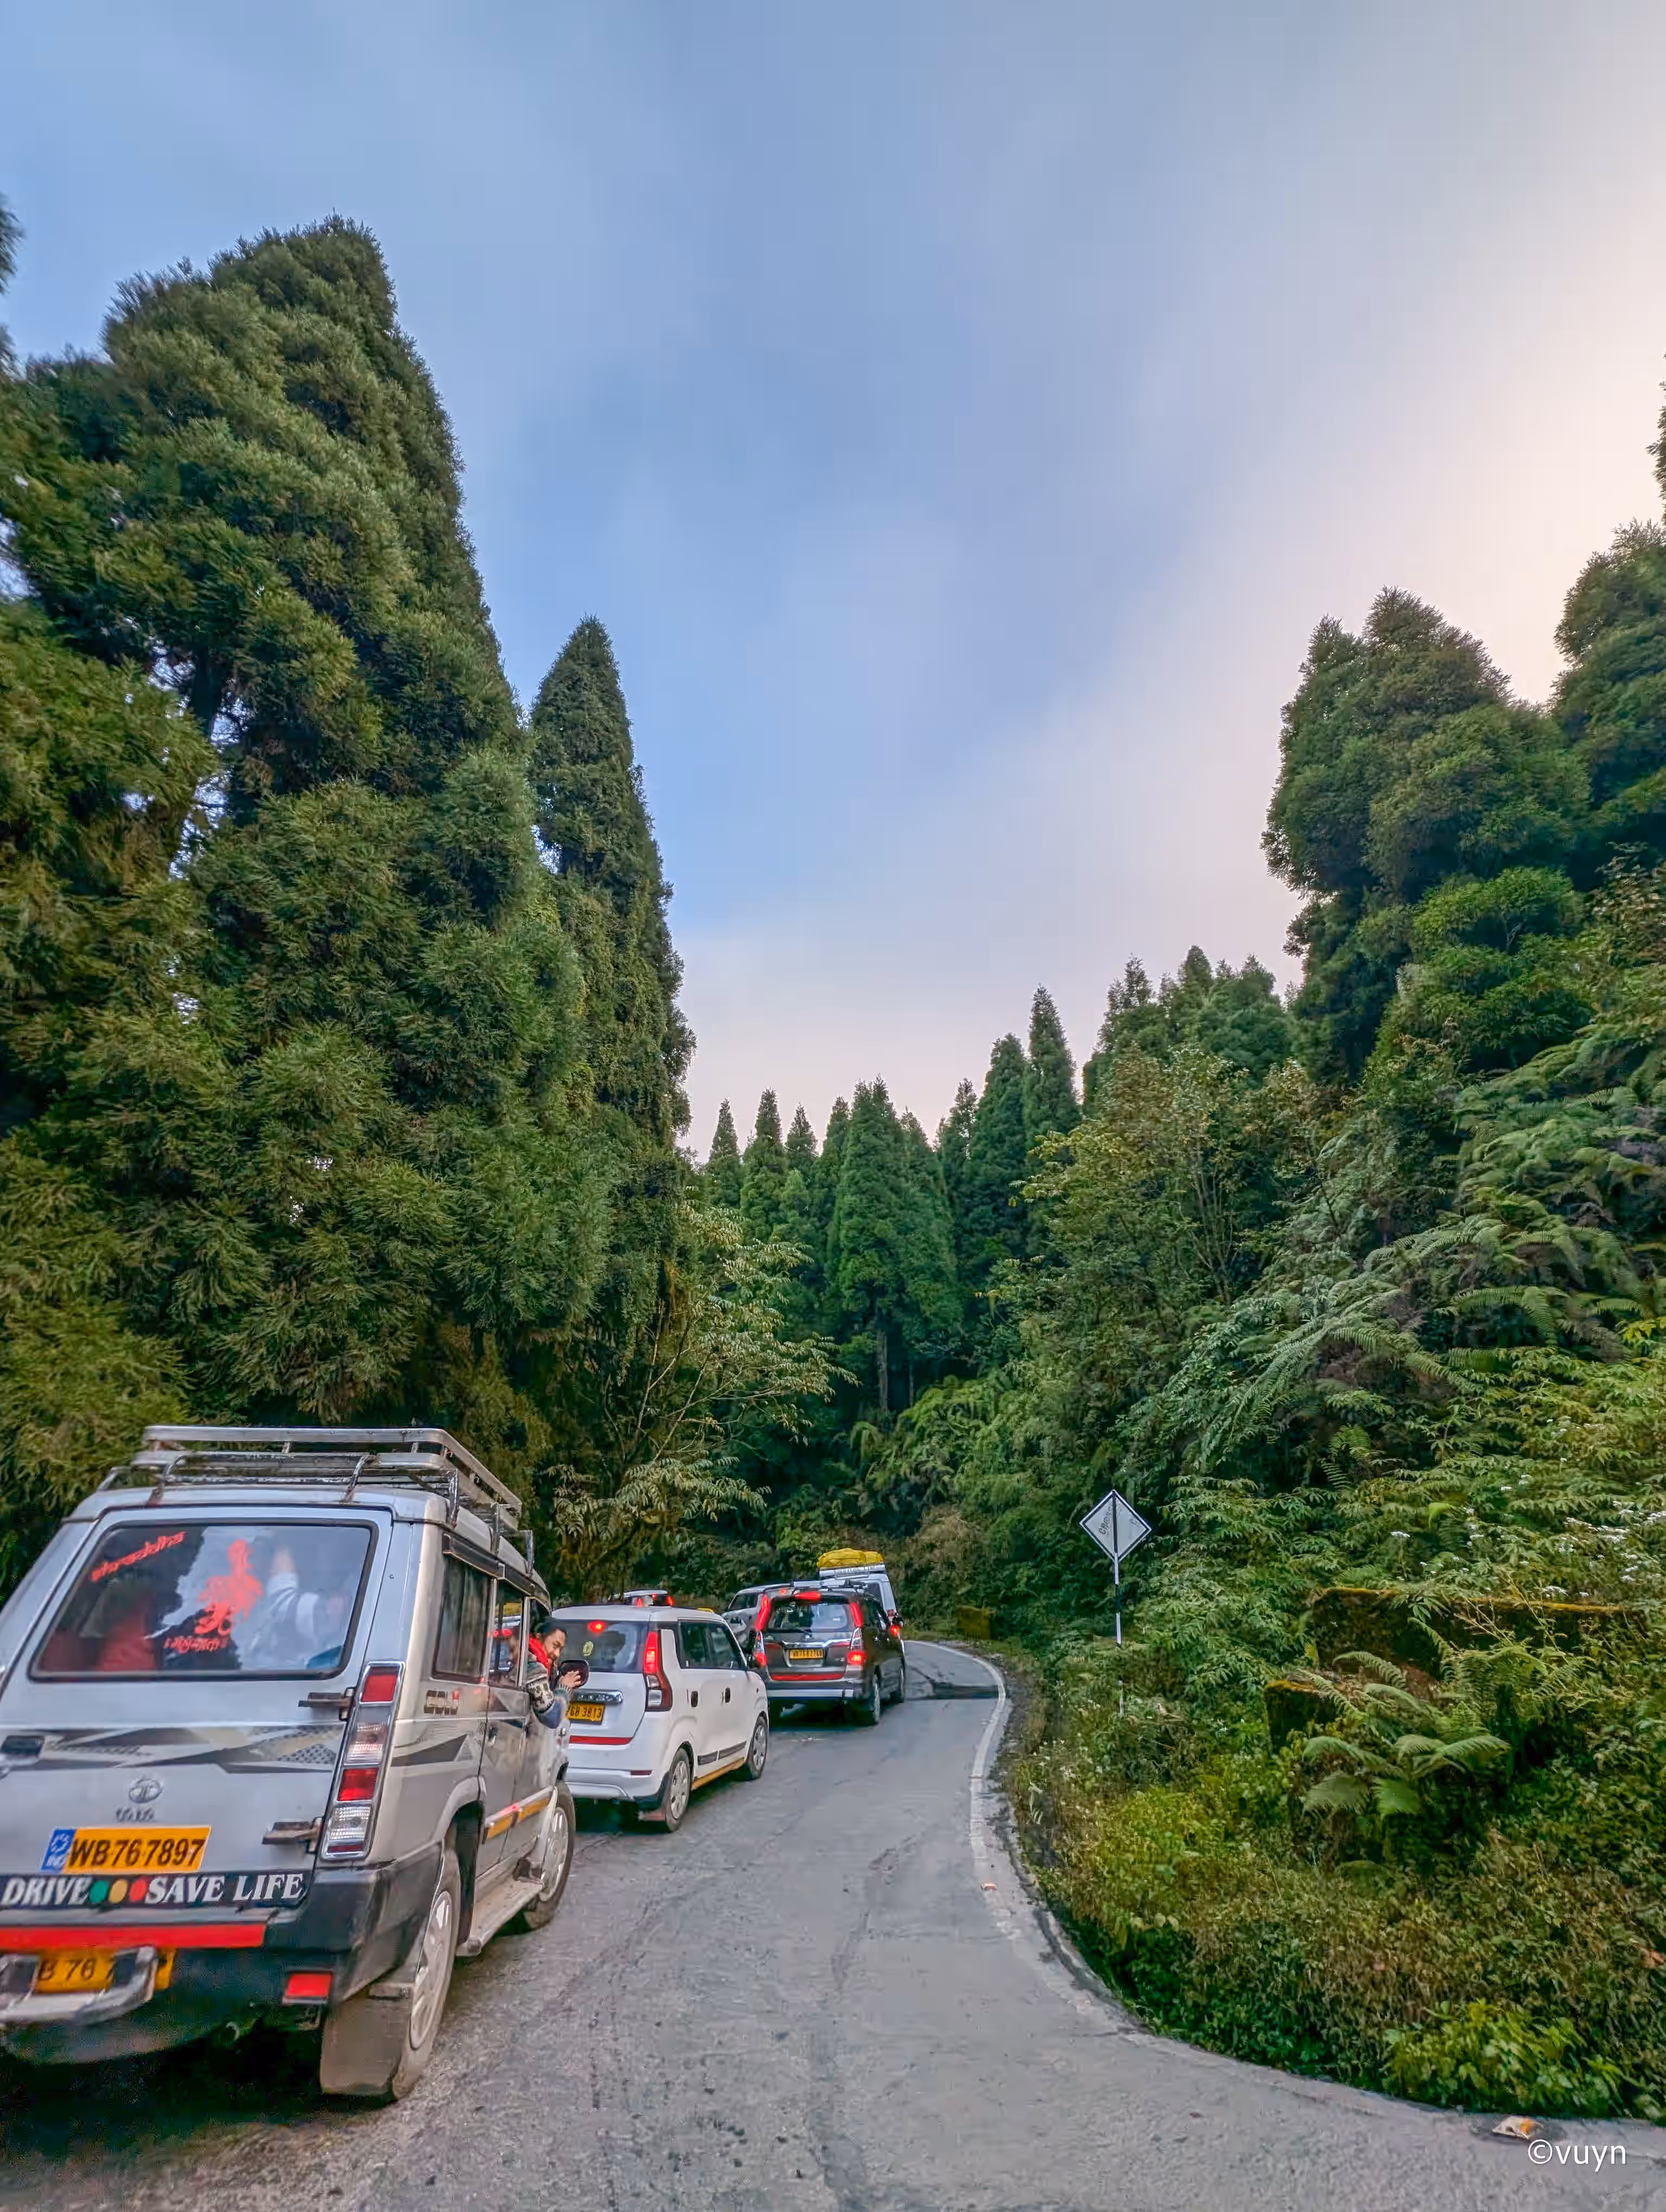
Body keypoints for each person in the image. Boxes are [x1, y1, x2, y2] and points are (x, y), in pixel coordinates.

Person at [527, 1613, 588, 1728]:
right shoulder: (534, 1669)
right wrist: (564, 1688)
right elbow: (552, 1717)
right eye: (555, 1646)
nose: (557, 1654)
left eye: (561, 1649)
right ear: (539, 1638)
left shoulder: (530, 1663)